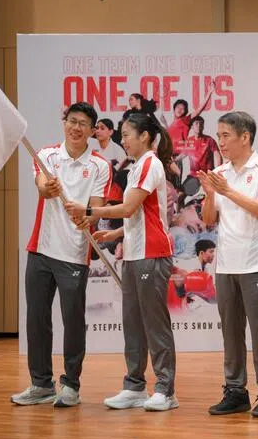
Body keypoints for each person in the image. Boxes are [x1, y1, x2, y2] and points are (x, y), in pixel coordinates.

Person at [65, 112, 178, 412]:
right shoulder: (137, 166)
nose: (123, 140)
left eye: (127, 135)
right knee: (133, 323)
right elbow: (140, 215)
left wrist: (90, 211)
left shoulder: (150, 164)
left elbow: (128, 208)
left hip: (152, 255)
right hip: (134, 253)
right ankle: (135, 386)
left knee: (155, 325)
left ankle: (166, 390)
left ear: (143, 136)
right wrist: (113, 234)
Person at [11, 102, 111, 408]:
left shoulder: (99, 165)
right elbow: (42, 186)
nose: (76, 128)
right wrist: (48, 187)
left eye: (83, 124)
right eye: (72, 121)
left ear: (93, 131)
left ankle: (71, 385)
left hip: (74, 252)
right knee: (37, 319)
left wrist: (88, 216)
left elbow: (95, 207)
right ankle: (41, 384)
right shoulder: (46, 156)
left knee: (73, 320)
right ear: (64, 122)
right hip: (40, 249)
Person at [197, 111, 258, 418]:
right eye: (218, 136)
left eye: (225, 136)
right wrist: (210, 195)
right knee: (231, 332)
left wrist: (227, 191)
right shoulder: (220, 173)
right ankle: (235, 391)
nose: (220, 142)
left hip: (256, 261)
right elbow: (208, 220)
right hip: (226, 263)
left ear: (244, 137)